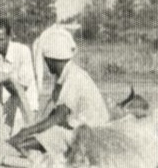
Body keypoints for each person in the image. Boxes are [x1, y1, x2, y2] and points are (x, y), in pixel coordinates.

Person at [8, 26, 110, 155]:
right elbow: (55, 114)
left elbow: (58, 117)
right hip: (81, 130)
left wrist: (26, 132)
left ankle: (12, 150)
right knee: (44, 135)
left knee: (45, 138)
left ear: (50, 60)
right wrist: (33, 129)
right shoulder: (66, 75)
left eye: (46, 61)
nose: (46, 64)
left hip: (92, 133)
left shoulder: (74, 77)